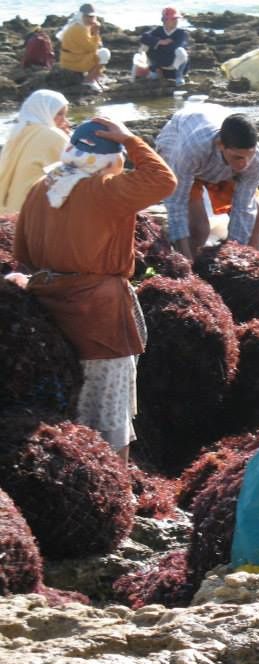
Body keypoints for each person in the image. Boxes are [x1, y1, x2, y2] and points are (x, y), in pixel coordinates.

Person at [12, 118, 177, 461]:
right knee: (109, 414)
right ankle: (119, 492)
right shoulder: (105, 190)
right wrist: (132, 141)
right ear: (111, 158)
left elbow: (22, 256)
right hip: (100, 319)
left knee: (71, 410)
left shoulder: (43, 187)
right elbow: (164, 181)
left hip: (51, 311)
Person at [156, 108, 259, 261]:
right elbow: (177, 203)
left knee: (258, 216)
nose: (245, 165)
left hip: (219, 163)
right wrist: (185, 263)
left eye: (250, 156)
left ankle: (255, 263)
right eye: (238, 157)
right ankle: (191, 263)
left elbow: (243, 208)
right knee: (199, 229)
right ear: (220, 144)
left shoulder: (256, 161)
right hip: (178, 146)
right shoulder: (192, 149)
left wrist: (235, 256)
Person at [0, 91, 70, 214]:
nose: (66, 121)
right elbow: (75, 165)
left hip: (8, 206)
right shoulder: (54, 136)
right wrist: (68, 137)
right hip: (33, 210)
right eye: (59, 114)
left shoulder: (18, 131)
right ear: (45, 111)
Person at [58, 3, 111, 92]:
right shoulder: (79, 29)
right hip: (74, 61)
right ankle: (89, 80)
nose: (90, 19)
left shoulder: (77, 26)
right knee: (104, 53)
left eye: (92, 17)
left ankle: (96, 78)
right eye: (88, 16)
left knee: (99, 53)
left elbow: (90, 47)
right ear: (81, 16)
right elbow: (92, 47)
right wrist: (95, 32)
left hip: (71, 58)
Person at [139, 7, 190, 86]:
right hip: (160, 68)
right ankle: (153, 72)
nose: (176, 21)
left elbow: (175, 47)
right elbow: (143, 37)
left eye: (176, 19)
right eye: (173, 19)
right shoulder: (158, 30)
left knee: (180, 51)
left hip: (174, 68)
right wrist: (160, 42)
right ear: (165, 20)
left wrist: (157, 46)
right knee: (144, 46)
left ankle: (179, 77)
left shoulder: (182, 33)